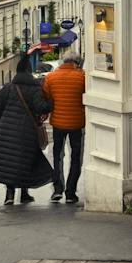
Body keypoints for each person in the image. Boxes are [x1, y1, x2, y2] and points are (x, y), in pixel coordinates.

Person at [0, 51, 54, 205]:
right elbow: (41, 107)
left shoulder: (8, 88)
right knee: (25, 162)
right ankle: (24, 193)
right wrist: (51, 102)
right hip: (27, 133)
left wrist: (3, 123)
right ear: (29, 71)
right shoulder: (34, 89)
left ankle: (10, 194)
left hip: (7, 132)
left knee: (9, 162)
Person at [42, 53, 87, 204]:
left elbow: (47, 99)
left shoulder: (51, 77)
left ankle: (57, 189)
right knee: (76, 157)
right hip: (77, 123)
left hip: (58, 123)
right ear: (76, 63)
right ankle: (71, 192)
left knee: (57, 156)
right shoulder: (82, 77)